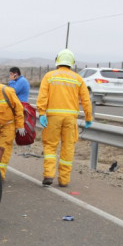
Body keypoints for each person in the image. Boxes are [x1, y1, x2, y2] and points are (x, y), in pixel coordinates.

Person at [35, 49, 93, 187]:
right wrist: (88, 117)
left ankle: (49, 174)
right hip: (70, 118)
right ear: (72, 63)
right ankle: (64, 180)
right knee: (68, 147)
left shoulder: (49, 76)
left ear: (58, 61)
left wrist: (42, 113)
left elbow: (42, 97)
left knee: (50, 146)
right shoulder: (78, 79)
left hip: (53, 117)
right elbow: (86, 100)